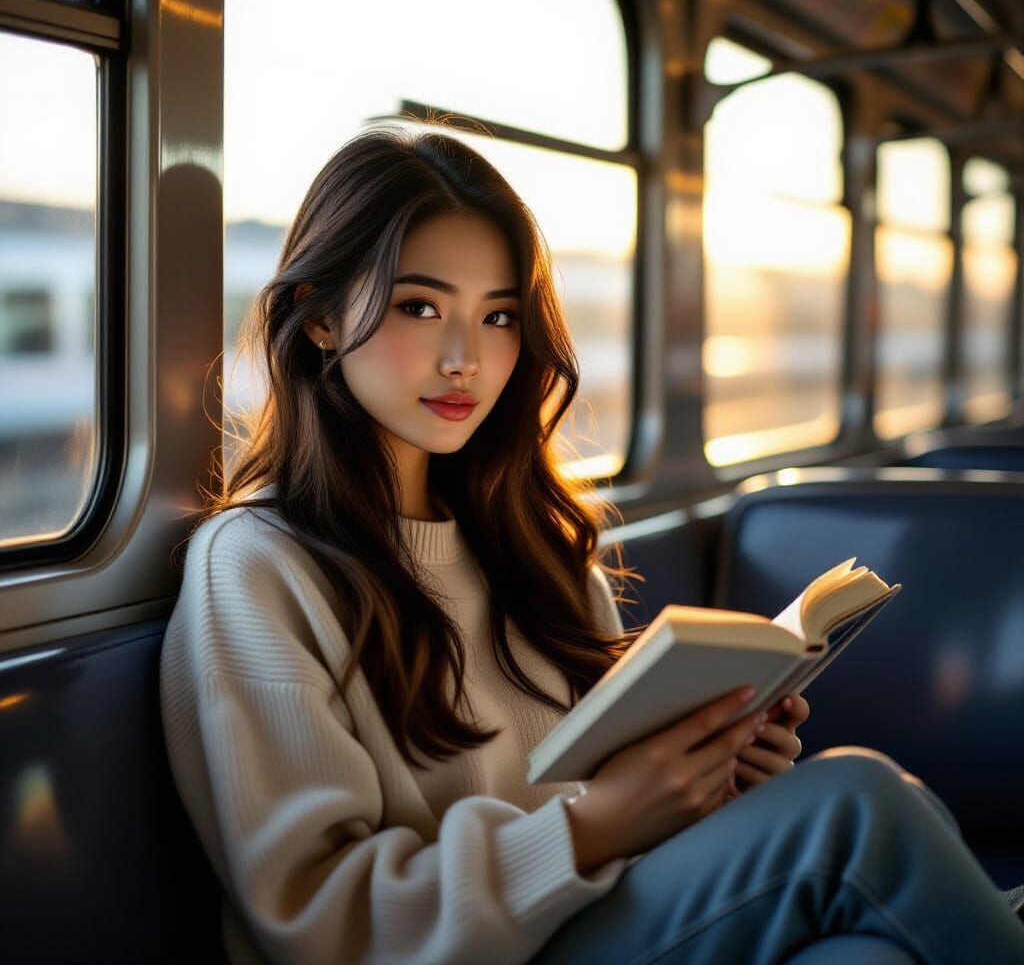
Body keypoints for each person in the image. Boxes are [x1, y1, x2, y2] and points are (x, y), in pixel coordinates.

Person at [159, 126, 1024, 965]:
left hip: (606, 917)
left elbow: (604, 799)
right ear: (316, 320)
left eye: (499, 317)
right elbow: (322, 923)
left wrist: (709, 779)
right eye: (418, 306)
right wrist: (596, 823)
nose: (466, 357)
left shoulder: (532, 543)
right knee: (858, 802)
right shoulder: (258, 564)